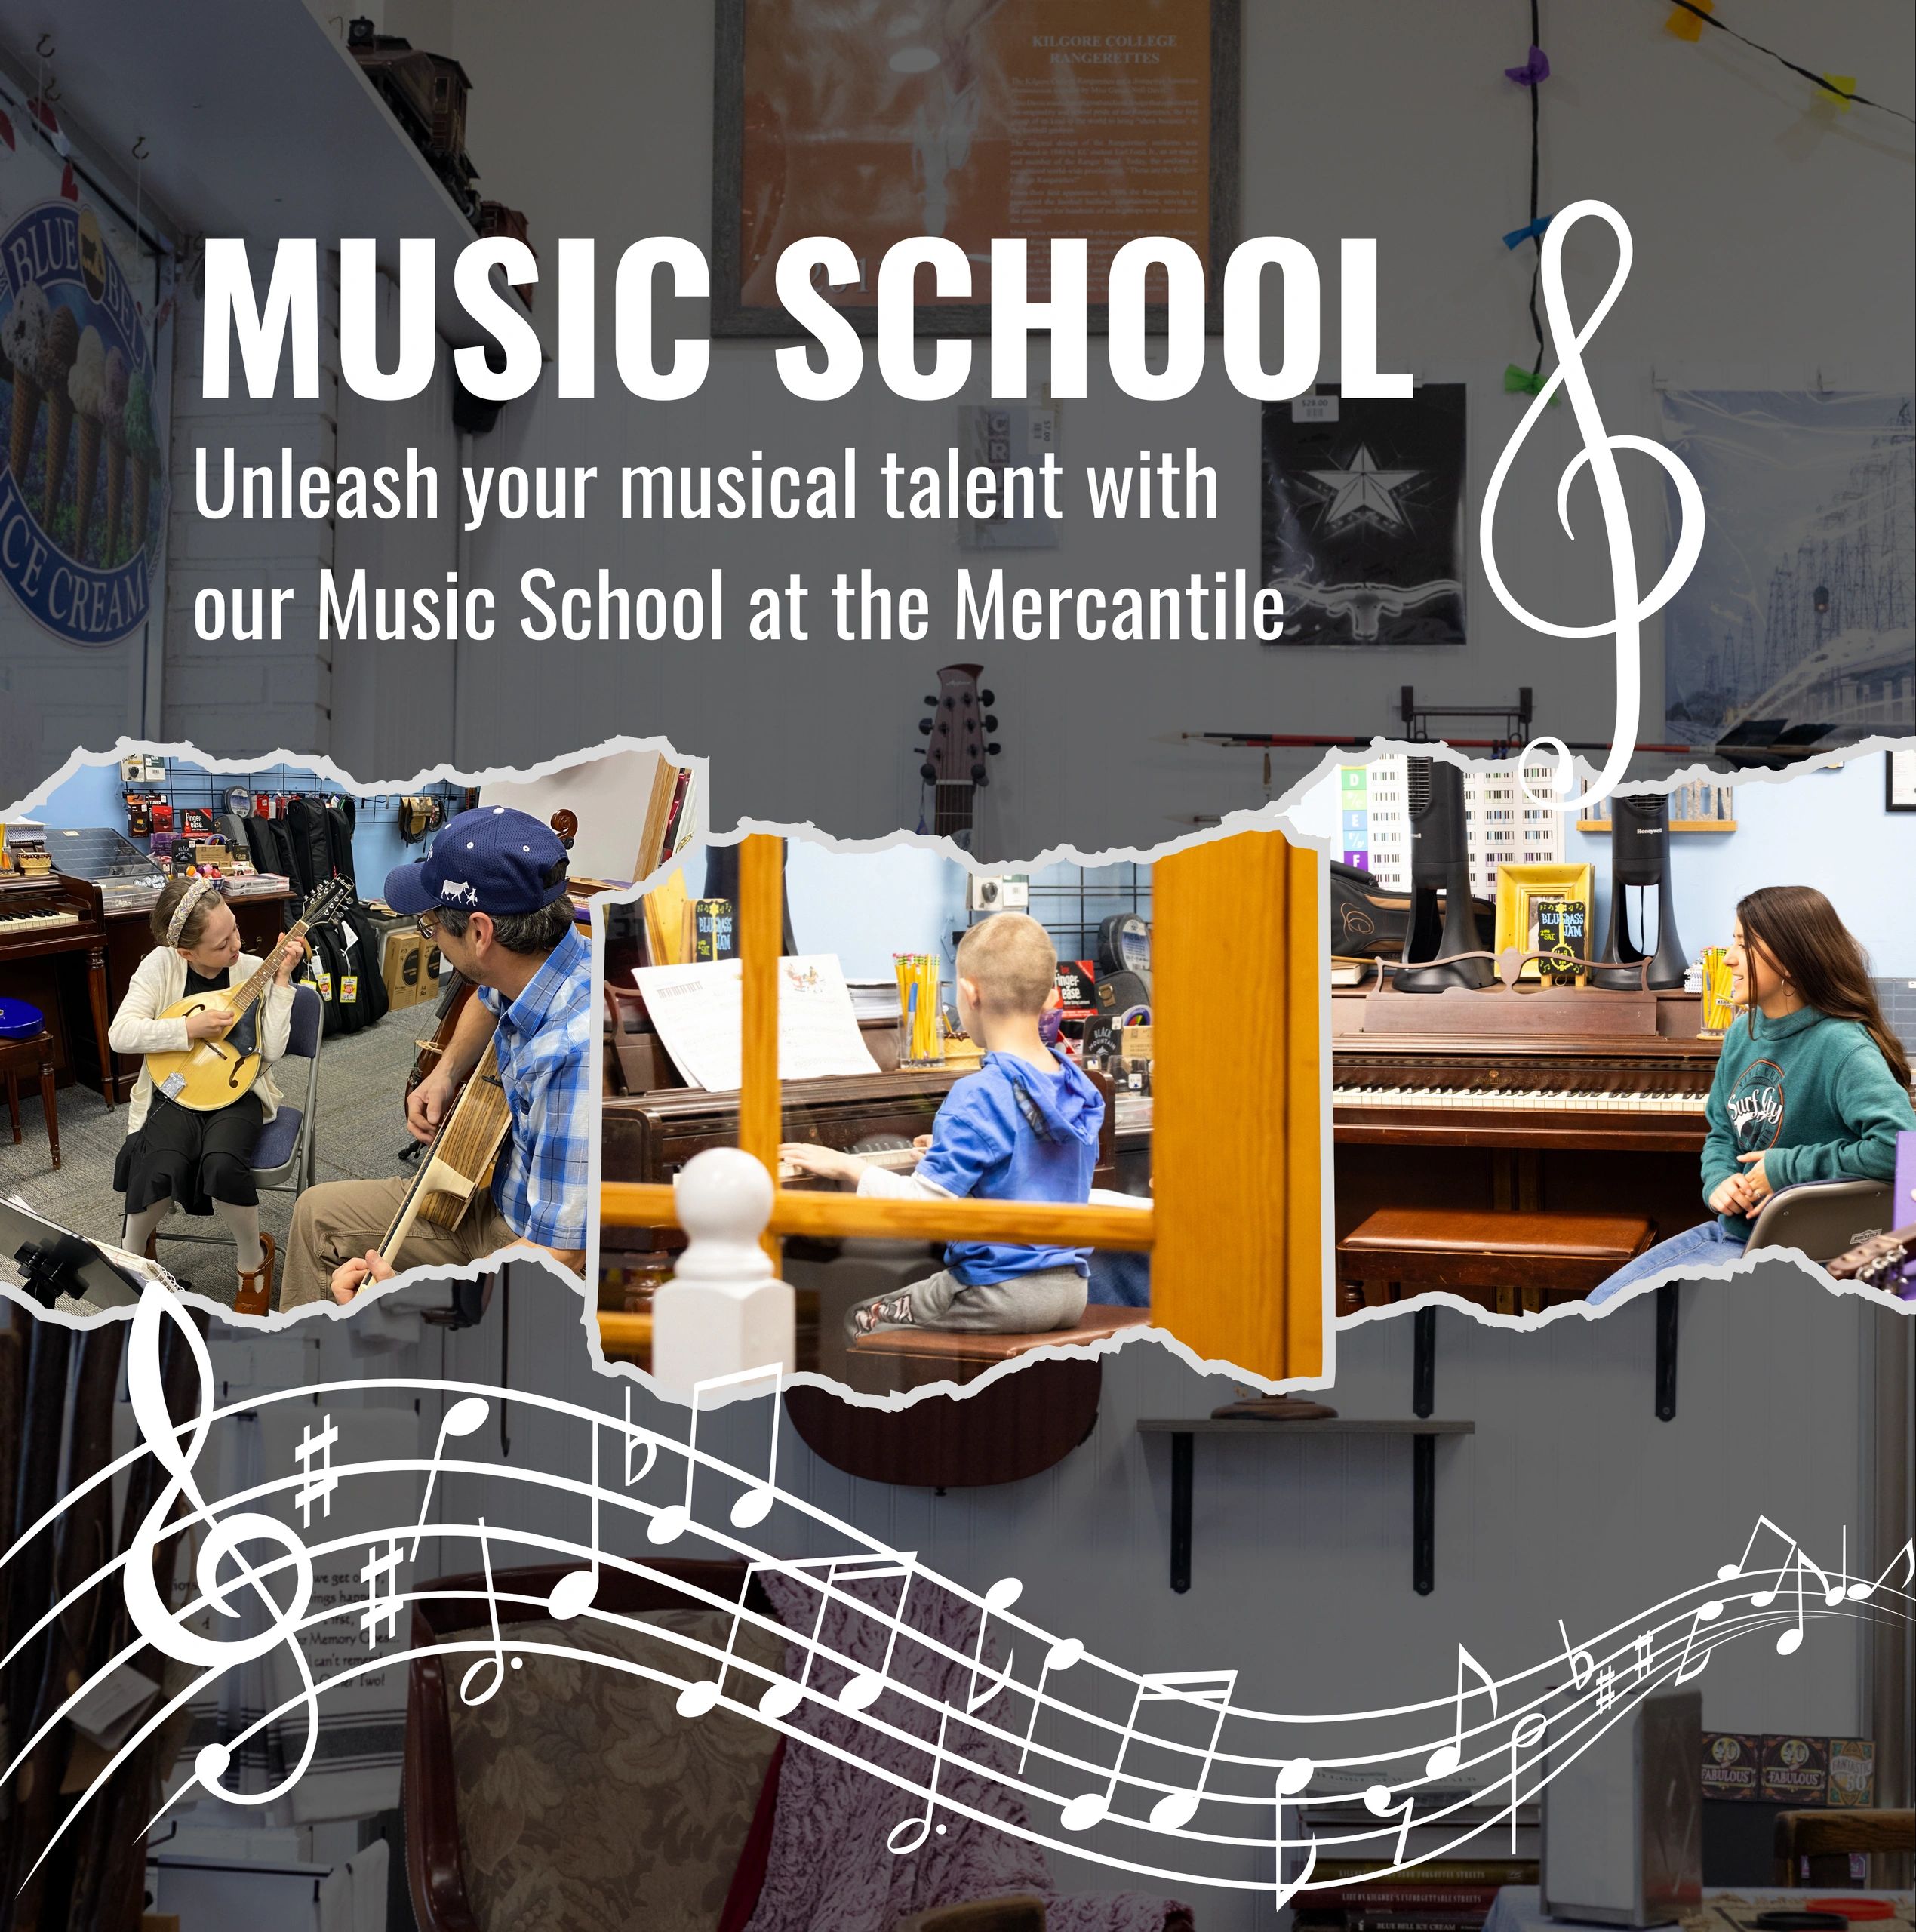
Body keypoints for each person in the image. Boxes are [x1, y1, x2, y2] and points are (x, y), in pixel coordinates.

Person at [278, 806, 592, 1308]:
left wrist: (423, 1302)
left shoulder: (575, 1053)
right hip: (494, 1197)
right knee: (316, 1211)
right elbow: (488, 1001)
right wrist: (445, 1071)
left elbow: (561, 1255)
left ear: (480, 933)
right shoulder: (545, 958)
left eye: (431, 926)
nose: (434, 939)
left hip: (521, 1246)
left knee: (368, 1292)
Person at [782, 912, 1104, 1337]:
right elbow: (1029, 1153)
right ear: (1049, 996)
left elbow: (921, 1211)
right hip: (1070, 1291)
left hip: (998, 1295)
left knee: (855, 1319)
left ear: (970, 994)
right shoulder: (1077, 1087)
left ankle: (933, 1406)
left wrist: (849, 1167)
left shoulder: (979, 1094)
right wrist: (958, 1152)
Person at [1589, 885, 1916, 1304]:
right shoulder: (1740, 1036)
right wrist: (1720, 1182)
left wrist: (1785, 1168)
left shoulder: (1842, 1046)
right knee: (1601, 1307)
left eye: (1743, 945)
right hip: (1737, 1234)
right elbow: (1722, 1133)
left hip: (1810, 1255)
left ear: (1790, 962)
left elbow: (1900, 1147)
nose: (1727, 958)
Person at [107, 875, 306, 1312]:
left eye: (234, 929)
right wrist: (187, 1028)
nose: (236, 944)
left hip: (238, 1089)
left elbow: (271, 1050)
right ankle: (133, 1263)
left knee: (222, 1164)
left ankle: (251, 1262)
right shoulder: (161, 966)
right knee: (157, 1163)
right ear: (186, 952)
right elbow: (120, 1035)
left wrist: (283, 981)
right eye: (221, 943)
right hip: (175, 1088)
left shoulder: (253, 969)